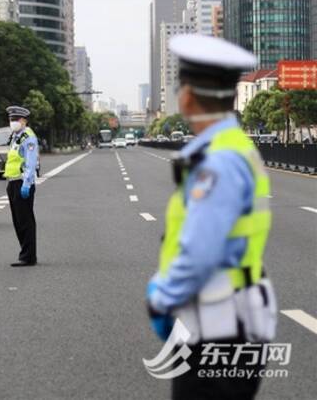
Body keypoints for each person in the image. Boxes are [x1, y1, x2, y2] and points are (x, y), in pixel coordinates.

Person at [146, 35, 277, 400]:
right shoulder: (232, 146)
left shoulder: (217, 161)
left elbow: (200, 249)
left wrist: (162, 297)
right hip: (230, 315)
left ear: (186, 97)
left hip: (219, 325)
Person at [4, 106, 39, 267]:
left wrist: (26, 183)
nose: (13, 122)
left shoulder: (28, 137)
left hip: (22, 182)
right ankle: (25, 253)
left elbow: (31, 162)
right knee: (18, 221)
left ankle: (29, 256)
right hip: (12, 182)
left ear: (24, 120)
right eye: (11, 120)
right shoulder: (15, 136)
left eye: (15, 120)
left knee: (25, 220)